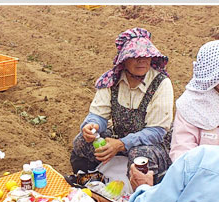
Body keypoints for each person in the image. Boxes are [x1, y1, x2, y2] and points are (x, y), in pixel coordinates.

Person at [69, 27, 173, 181]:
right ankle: (90, 182)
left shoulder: (161, 83)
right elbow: (98, 115)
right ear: (124, 60)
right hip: (120, 136)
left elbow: (156, 132)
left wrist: (121, 144)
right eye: (136, 56)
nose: (142, 60)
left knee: (140, 157)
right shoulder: (112, 80)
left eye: (147, 56)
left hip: (153, 144)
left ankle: (143, 195)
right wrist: (92, 126)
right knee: (81, 142)